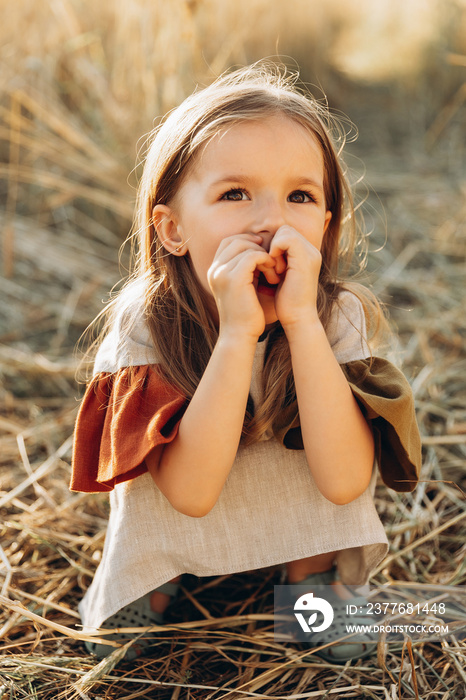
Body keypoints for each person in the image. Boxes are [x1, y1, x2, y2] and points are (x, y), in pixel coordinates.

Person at [70, 61, 421, 663]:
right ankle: (155, 586)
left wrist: (303, 324)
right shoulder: (147, 323)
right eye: (235, 193)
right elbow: (190, 492)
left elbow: (343, 483)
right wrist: (236, 334)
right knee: (151, 518)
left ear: (326, 225)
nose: (271, 221)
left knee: (320, 438)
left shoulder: (335, 316)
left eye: (300, 196)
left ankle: (307, 580)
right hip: (187, 496)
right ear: (173, 228)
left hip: (306, 506)